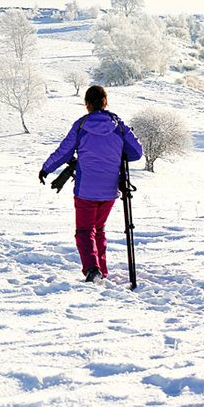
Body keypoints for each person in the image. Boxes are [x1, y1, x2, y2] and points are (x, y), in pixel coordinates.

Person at [39, 85, 143, 283]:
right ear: (105, 102)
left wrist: (46, 168)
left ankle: (92, 269)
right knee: (99, 228)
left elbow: (64, 151)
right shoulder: (118, 125)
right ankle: (101, 270)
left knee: (85, 230)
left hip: (86, 189)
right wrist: (115, 154)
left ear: (87, 104)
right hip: (110, 189)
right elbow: (136, 152)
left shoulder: (81, 125)